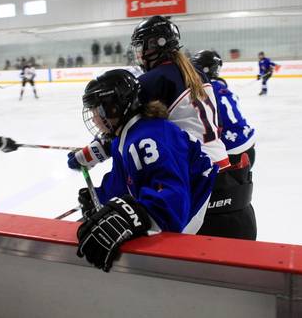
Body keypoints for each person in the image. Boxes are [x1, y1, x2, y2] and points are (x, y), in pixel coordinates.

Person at [70, 16, 256, 240]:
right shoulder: (197, 73)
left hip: (192, 174)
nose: (138, 54)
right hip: (222, 165)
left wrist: (90, 154)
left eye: (141, 47)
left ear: (155, 45)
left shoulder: (154, 80)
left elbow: (123, 126)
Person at [72, 69, 216, 272]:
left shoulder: (147, 138)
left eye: (98, 110)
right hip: (182, 208)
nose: (94, 118)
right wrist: (100, 196)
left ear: (114, 108)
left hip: (195, 211)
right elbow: (122, 180)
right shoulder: (126, 135)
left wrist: (138, 215)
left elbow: (172, 200)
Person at [192, 50, 257, 239]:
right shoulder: (222, 87)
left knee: (223, 199)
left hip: (232, 151)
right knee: (238, 195)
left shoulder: (203, 90)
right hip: (248, 146)